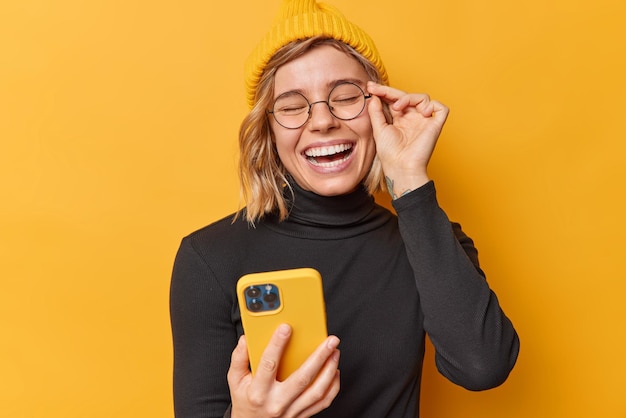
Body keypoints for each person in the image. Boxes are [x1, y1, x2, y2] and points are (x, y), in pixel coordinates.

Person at [169, 0, 520, 417]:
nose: (321, 122)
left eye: (345, 96)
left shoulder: (429, 240)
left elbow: (483, 367)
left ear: (380, 109)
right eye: (293, 106)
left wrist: (408, 179)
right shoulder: (208, 258)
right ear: (269, 130)